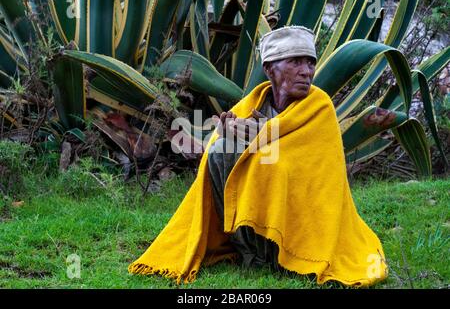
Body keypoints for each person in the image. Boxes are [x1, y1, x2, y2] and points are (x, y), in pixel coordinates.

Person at [129, 26, 388, 287]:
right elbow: (215, 154)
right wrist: (230, 134)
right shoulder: (251, 105)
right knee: (220, 152)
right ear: (270, 69)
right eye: (295, 62)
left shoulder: (319, 107)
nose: (306, 72)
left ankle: (283, 254)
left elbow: (307, 169)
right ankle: (251, 253)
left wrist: (257, 139)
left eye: (310, 63)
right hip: (254, 232)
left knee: (269, 166)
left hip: (304, 223)